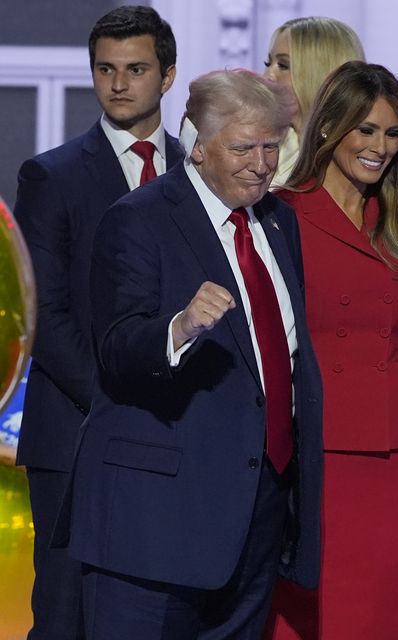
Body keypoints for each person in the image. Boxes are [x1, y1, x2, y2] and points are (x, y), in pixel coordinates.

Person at [61, 69, 324, 638]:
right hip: (156, 523)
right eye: (242, 147)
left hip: (257, 513)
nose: (261, 162)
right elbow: (116, 347)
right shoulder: (139, 218)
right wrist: (179, 326)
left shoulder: (279, 223)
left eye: (271, 146)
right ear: (199, 146)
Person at [263, 61, 398, 640]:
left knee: (387, 618)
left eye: (393, 133)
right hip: (314, 458)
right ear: (329, 129)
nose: (381, 147)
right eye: (366, 130)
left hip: (397, 461)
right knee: (319, 616)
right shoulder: (280, 218)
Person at [13, 5, 180, 637]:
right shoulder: (51, 175)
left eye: (135, 69)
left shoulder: (198, 169)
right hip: (78, 430)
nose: (117, 84)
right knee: (66, 613)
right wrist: (117, 401)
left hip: (178, 435)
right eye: (105, 69)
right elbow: (43, 311)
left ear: (166, 77)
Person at [263, 16, 364, 186]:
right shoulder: (266, 142)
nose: (267, 76)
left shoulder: (349, 156)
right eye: (268, 63)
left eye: (283, 65)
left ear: (319, 73)